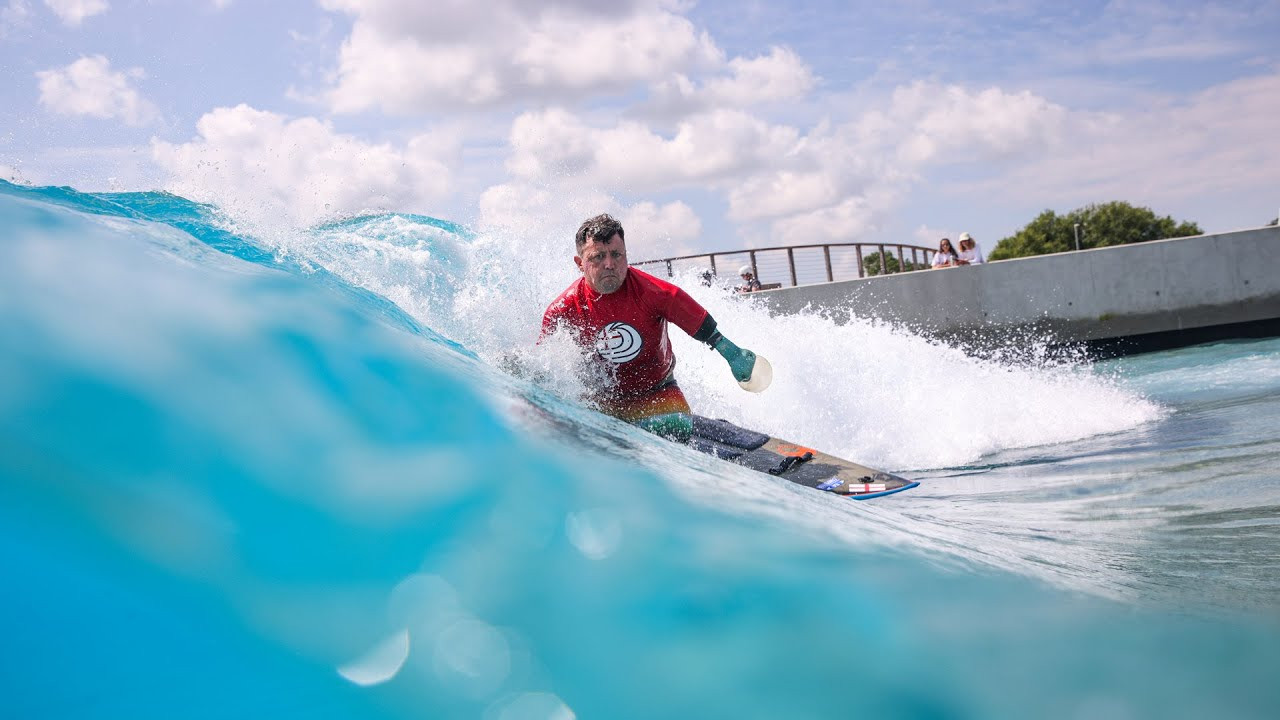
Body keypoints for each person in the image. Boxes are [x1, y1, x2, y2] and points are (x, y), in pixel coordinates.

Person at [540, 214, 761, 442]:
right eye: (597, 257)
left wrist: (734, 355)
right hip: (600, 400)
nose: (609, 264)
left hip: (657, 391)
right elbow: (543, 363)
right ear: (580, 264)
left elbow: (706, 330)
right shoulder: (562, 310)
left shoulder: (655, 293)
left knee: (678, 429)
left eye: (617, 255)